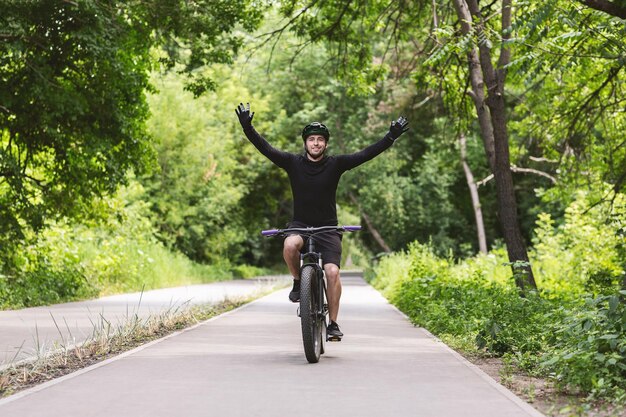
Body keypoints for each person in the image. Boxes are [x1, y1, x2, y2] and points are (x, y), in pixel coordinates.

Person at [235, 102, 408, 339]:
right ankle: (298, 281)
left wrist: (390, 137)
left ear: (325, 144)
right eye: (311, 139)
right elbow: (266, 149)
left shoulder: (335, 164)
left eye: (320, 139)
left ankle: (333, 323)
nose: (315, 143)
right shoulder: (292, 163)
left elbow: (365, 154)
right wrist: (248, 129)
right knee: (289, 245)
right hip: (300, 225)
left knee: (332, 272)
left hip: (328, 229)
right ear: (305, 143)